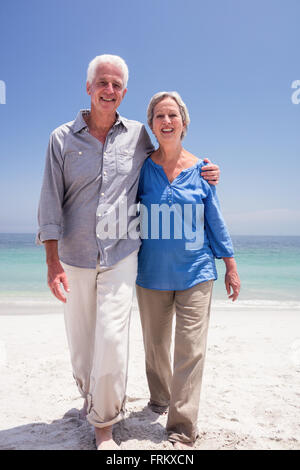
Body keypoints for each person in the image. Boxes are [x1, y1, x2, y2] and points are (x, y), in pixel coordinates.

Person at [36, 55, 220, 450]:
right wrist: (52, 262)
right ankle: (90, 399)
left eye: (117, 85)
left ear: (124, 93)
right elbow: (50, 203)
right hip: (76, 256)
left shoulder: (138, 134)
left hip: (122, 255)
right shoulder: (60, 138)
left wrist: (206, 169)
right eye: (102, 82)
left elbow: (171, 155)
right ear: (89, 87)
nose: (109, 90)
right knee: (83, 347)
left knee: (113, 342)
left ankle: (104, 425)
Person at [136, 91, 240, 449]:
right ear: (151, 124)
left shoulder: (202, 170)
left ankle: (181, 427)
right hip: (150, 275)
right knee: (155, 346)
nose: (166, 122)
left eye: (173, 116)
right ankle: (160, 398)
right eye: (160, 116)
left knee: (190, 349)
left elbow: (215, 220)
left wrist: (230, 265)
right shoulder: (141, 169)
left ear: (184, 123)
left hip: (197, 272)